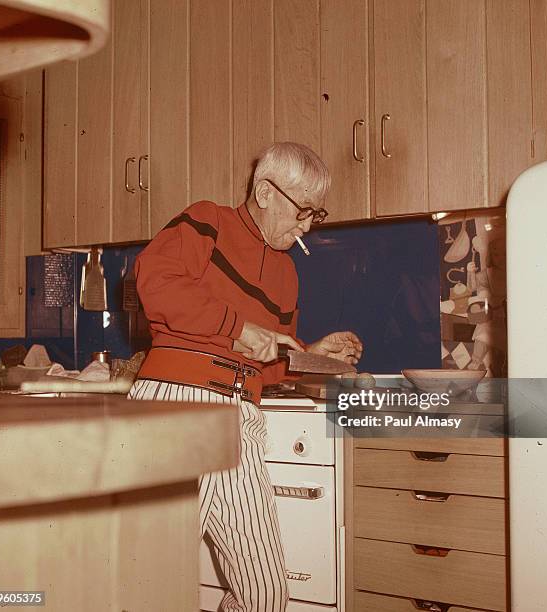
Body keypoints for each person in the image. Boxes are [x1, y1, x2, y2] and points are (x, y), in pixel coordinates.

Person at [128, 142, 363, 612]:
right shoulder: (208, 222)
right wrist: (237, 328)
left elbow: (265, 363)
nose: (307, 226)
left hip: (241, 420)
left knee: (265, 596)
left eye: (316, 215)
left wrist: (310, 355)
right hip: (174, 407)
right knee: (143, 585)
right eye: (302, 211)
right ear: (264, 192)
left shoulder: (288, 274)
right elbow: (154, 281)